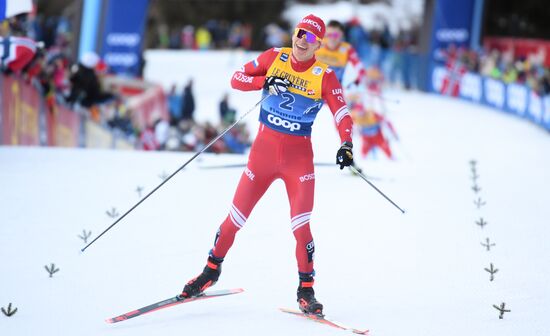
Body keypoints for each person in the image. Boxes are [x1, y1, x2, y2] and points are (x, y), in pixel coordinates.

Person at [180, 14, 355, 316]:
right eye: (300, 33)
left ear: (318, 45)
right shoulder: (274, 57)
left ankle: (306, 291)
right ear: (293, 34)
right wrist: (265, 81)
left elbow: (341, 113)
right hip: (261, 157)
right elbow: (237, 79)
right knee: (232, 221)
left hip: (298, 160)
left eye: (311, 38)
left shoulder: (325, 75)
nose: (303, 40)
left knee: (301, 229)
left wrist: (347, 143)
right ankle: (210, 271)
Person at [315, 20, 366, 86]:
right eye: (329, 35)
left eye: (335, 35)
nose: (332, 38)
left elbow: (361, 69)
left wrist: (355, 83)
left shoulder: (347, 49)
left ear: (341, 35)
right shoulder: (318, 43)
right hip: (314, 85)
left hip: (334, 88)